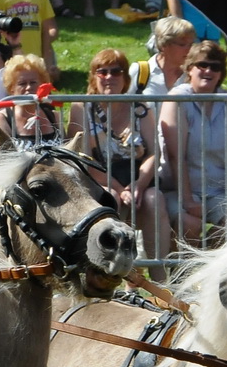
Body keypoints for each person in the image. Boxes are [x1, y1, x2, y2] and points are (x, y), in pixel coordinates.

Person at [72, 47, 169, 257]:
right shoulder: (81, 108)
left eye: (116, 71)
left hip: (137, 178)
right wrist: (120, 188)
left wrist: (139, 185)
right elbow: (83, 159)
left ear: (125, 77)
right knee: (111, 198)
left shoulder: (139, 108)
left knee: (155, 199)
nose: (109, 77)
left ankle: (159, 279)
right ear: (93, 77)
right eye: (102, 72)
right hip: (98, 178)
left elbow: (154, 153)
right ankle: (115, 273)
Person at [160, 40, 227, 242]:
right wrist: (188, 200)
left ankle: (206, 266)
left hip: (218, 190)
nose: (208, 70)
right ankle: (184, 269)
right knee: (190, 224)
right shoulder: (177, 98)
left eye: (215, 66)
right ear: (190, 69)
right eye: (202, 65)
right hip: (178, 189)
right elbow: (175, 155)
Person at [0, 53, 65, 149]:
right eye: (22, 84)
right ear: (11, 88)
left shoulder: (54, 116)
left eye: (33, 82)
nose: (29, 87)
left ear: (42, 84)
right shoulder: (2, 119)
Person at [130, 14, 195, 96]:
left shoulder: (193, 74)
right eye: (182, 44)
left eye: (191, 44)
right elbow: (120, 105)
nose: (189, 49)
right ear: (164, 45)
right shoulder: (139, 71)